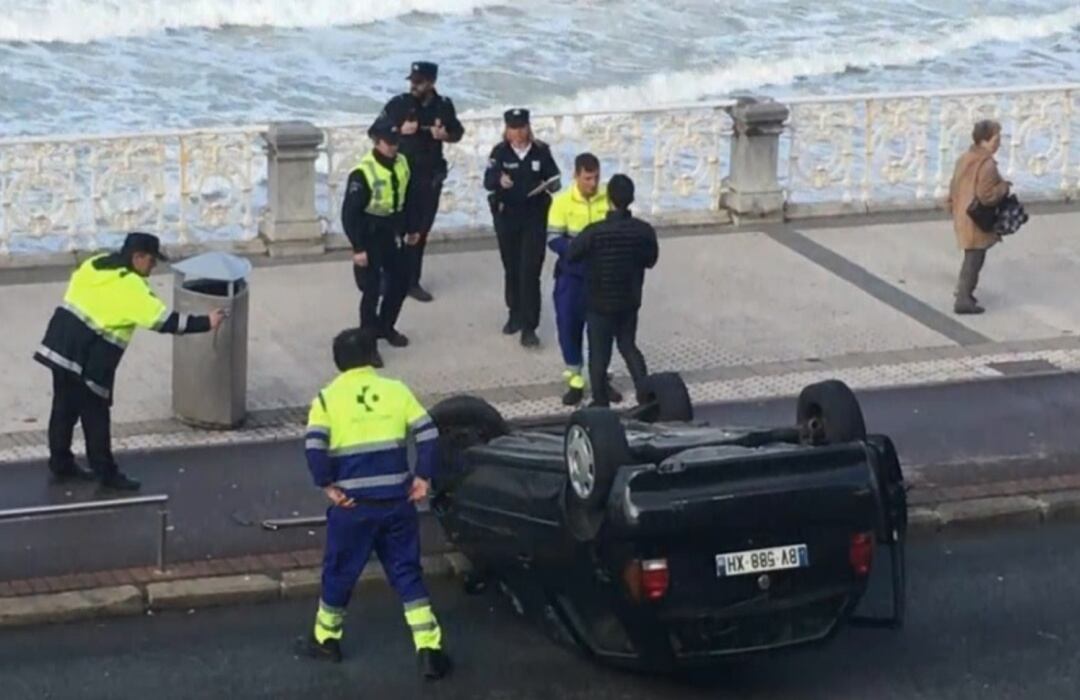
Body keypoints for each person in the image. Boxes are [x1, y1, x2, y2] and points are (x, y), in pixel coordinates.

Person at [295, 327, 451, 681]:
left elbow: (315, 448)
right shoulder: (397, 391)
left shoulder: (326, 399)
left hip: (352, 507)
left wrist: (327, 486)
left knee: (340, 570)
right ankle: (429, 649)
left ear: (338, 362)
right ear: (372, 356)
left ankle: (325, 640)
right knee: (406, 572)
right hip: (397, 503)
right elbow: (428, 434)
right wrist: (422, 477)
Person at [33, 232, 226, 491]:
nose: (154, 266)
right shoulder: (131, 286)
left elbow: (78, 283)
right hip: (90, 357)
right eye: (152, 260)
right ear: (137, 257)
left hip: (60, 343)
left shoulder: (97, 262)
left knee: (64, 408)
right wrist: (206, 322)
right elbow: (164, 321)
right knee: (96, 416)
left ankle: (60, 462)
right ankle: (106, 473)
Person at [376, 61, 466, 303]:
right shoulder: (399, 104)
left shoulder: (443, 105)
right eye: (412, 81)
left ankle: (412, 281)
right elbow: (374, 131)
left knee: (420, 231)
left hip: (429, 178)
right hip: (400, 178)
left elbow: (457, 132)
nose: (413, 86)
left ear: (431, 82)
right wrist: (399, 129)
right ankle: (389, 278)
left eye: (419, 82)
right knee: (395, 229)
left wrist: (444, 135)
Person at [567, 174, 658, 407]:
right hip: (629, 299)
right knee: (628, 346)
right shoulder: (644, 231)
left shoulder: (594, 231)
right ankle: (646, 395)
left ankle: (600, 403)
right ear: (632, 198)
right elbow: (651, 260)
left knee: (598, 354)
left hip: (598, 301)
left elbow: (572, 254)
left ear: (608, 199)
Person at [342, 120, 420, 366]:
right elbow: (349, 214)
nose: (394, 148)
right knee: (371, 291)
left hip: (392, 231)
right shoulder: (362, 172)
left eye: (396, 143)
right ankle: (368, 345)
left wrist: (412, 228)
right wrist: (358, 248)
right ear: (377, 142)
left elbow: (408, 198)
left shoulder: (402, 163)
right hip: (369, 234)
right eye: (389, 143)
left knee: (400, 283)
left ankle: (386, 326)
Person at [483, 108, 561, 347]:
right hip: (507, 217)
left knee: (530, 271)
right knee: (512, 267)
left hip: (534, 218)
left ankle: (530, 326)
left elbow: (555, 180)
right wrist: (499, 180)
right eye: (513, 128)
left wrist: (550, 184)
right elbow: (487, 181)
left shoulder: (541, 151)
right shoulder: (499, 152)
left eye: (522, 127)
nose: (518, 133)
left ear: (528, 127)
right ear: (507, 130)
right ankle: (514, 312)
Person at [547, 152, 619, 406]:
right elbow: (554, 239)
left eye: (596, 177)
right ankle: (575, 381)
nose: (593, 183)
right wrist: (579, 250)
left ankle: (601, 380)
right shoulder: (561, 202)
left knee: (601, 332)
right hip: (572, 277)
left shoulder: (608, 198)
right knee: (569, 327)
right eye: (588, 178)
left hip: (602, 278)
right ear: (576, 176)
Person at [946, 119, 1011, 315]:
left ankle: (964, 293)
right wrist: (1004, 187)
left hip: (962, 214)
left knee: (971, 255)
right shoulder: (987, 164)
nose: (998, 143)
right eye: (996, 139)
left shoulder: (966, 157)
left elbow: (954, 184)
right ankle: (964, 298)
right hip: (976, 218)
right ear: (985, 140)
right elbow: (987, 195)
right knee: (974, 258)